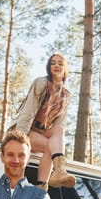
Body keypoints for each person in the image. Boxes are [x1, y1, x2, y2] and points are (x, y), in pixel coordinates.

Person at [8, 53, 75, 191]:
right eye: (53, 63)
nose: (56, 66)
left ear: (65, 69)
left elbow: (59, 124)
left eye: (60, 63)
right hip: (23, 128)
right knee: (50, 147)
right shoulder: (42, 83)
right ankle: (42, 189)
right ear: (48, 67)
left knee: (59, 131)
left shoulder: (66, 95)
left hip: (41, 131)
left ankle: (59, 171)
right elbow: (28, 112)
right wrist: (19, 139)